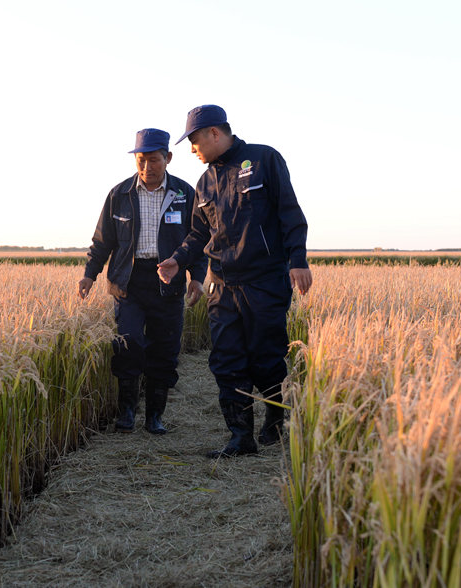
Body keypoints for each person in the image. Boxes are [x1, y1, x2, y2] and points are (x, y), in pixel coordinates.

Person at [157, 105, 312, 458]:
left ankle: (275, 416)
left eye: (194, 141)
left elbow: (290, 211)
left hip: (264, 282)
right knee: (226, 361)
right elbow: (198, 234)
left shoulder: (264, 159)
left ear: (214, 132)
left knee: (266, 358)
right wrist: (176, 261)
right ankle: (240, 437)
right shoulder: (205, 182)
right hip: (222, 286)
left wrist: (298, 261)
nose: (192, 150)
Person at [79, 128, 207, 435]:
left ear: (168, 158)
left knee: (164, 351)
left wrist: (197, 278)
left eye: (153, 160)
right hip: (129, 284)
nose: (147, 167)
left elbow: (199, 239)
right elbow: (102, 240)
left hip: (169, 284)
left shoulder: (185, 194)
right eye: (141, 160)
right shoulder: (119, 195)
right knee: (129, 343)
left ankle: (154, 416)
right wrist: (89, 274)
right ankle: (126, 412)